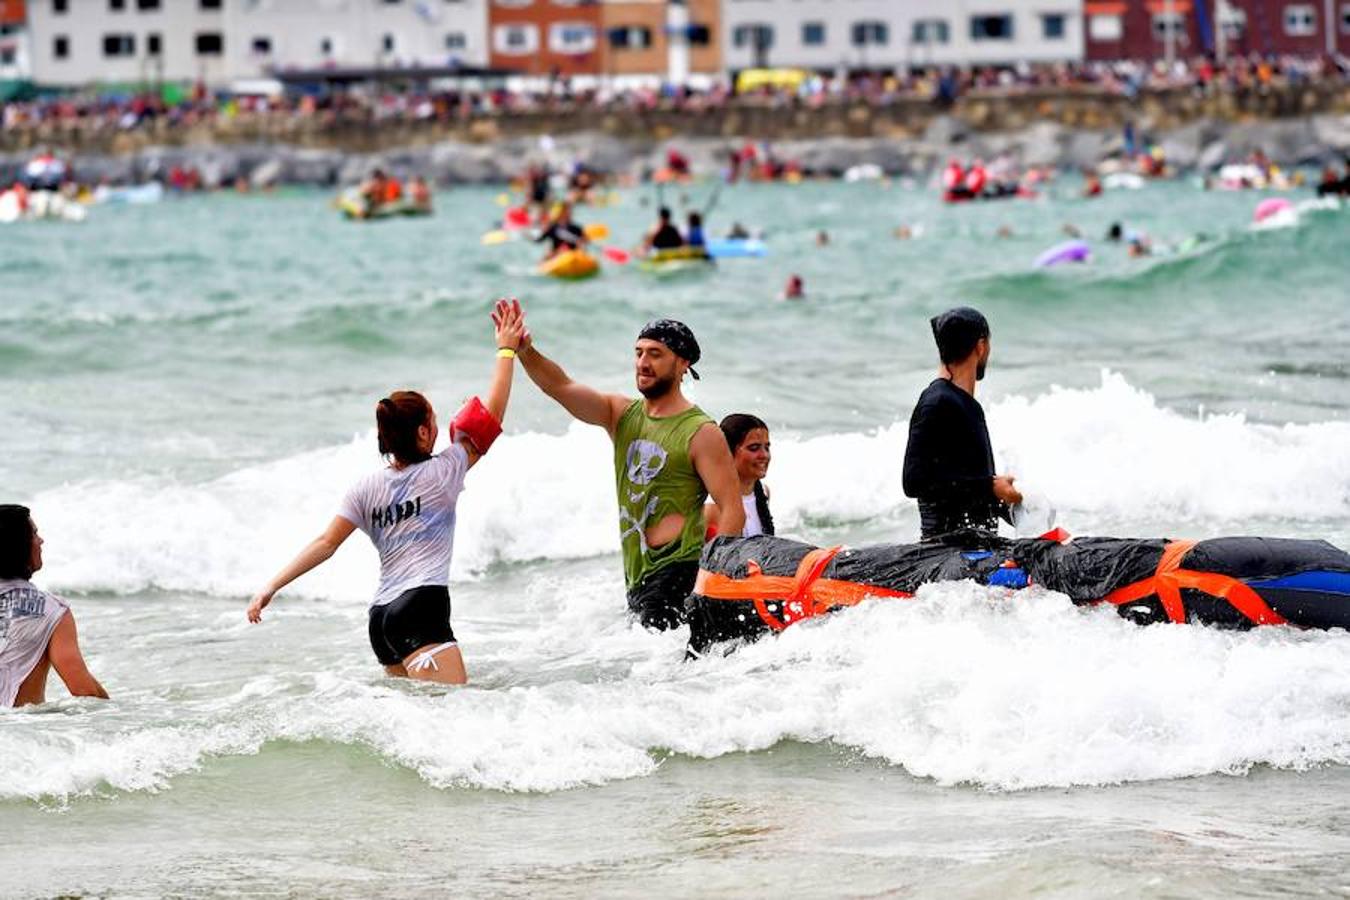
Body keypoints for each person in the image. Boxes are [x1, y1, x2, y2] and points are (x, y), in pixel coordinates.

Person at [246, 300, 527, 685]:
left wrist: (270, 587)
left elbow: (326, 543)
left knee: (413, 728)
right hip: (421, 607)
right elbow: (491, 418)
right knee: (453, 722)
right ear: (424, 433)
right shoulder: (443, 472)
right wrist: (506, 350)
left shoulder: (365, 487)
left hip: (381, 621)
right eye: (433, 419)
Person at [516, 317, 745, 629]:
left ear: (682, 364)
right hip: (638, 577)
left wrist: (712, 585)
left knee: (655, 672)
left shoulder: (701, 432)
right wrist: (525, 351)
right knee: (658, 672)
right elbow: (560, 386)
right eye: (638, 352)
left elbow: (732, 509)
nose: (643, 363)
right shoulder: (621, 414)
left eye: (655, 353)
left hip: (679, 572)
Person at [902, 307, 1022, 540]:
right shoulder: (937, 402)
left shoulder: (962, 404)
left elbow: (959, 483)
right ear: (981, 346)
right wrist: (989, 487)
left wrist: (1011, 501)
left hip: (975, 546)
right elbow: (914, 482)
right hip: (945, 550)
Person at [1, 505, 109, 707]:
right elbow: (83, 690)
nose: (40, 541)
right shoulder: (52, 610)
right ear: (19, 545)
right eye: (34, 534)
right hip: (20, 731)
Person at [704, 415, 774, 540]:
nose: (764, 455)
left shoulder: (763, 492)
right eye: (754, 448)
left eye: (767, 447)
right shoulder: (710, 506)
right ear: (728, 452)